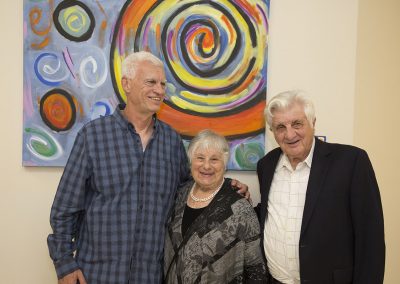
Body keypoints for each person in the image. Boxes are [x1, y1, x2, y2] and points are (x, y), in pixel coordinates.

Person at [47, 51, 248, 284]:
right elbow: (65, 207)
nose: (160, 90)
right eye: (151, 82)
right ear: (127, 84)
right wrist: (64, 264)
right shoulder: (93, 136)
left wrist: (226, 188)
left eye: (163, 84)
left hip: (151, 275)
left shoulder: (171, 141)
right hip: (96, 275)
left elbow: (190, 194)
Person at [256, 90, 385, 284]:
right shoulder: (266, 165)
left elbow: (370, 239)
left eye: (297, 124)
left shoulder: (351, 162)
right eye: (280, 127)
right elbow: (270, 214)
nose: (289, 134)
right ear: (273, 132)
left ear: (313, 123)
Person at [164, 129, 267, 283]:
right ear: (191, 161)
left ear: (224, 164)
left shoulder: (239, 206)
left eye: (214, 159)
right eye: (200, 158)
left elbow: (256, 268)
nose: (206, 166)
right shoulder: (180, 194)